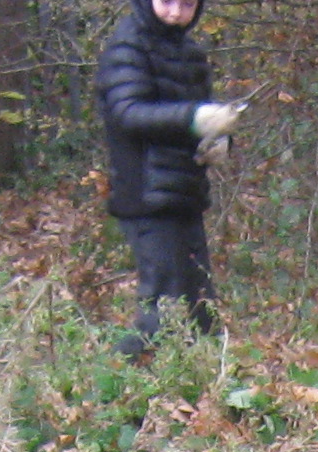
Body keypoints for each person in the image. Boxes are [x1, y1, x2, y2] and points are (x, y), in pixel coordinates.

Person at [97, 0, 243, 349]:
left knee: (200, 304)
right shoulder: (127, 47)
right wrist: (194, 118)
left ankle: (205, 375)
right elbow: (128, 113)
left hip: (185, 191)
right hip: (144, 194)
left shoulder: (190, 53)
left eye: (187, 4)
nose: (176, 13)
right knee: (163, 310)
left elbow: (200, 119)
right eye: (167, 2)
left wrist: (219, 139)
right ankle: (116, 372)